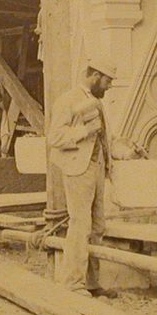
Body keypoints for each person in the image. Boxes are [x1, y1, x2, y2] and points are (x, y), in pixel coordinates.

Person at [47, 55, 116, 295]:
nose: (109, 86)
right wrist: (84, 130)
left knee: (98, 226)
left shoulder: (96, 102)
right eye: (107, 80)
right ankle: (73, 282)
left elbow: (103, 138)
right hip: (78, 169)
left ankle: (92, 282)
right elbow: (54, 138)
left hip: (97, 168)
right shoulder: (68, 100)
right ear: (95, 76)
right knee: (80, 224)